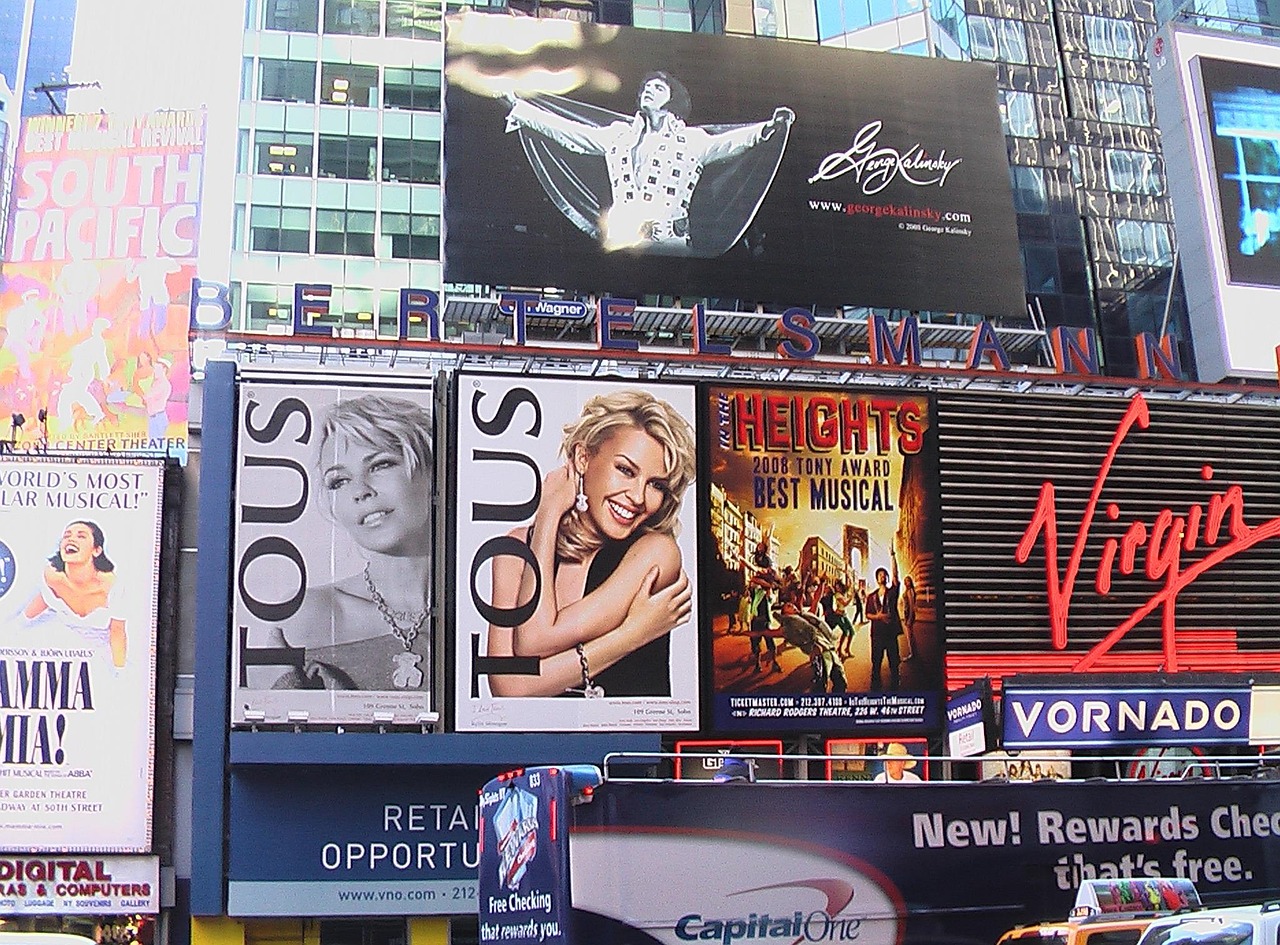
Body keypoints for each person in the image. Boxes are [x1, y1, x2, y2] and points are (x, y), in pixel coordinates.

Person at [486, 389, 696, 697]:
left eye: (656, 485)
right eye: (625, 470)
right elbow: (508, 687)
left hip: (629, 742)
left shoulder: (656, 553)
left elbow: (534, 639)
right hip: (534, 745)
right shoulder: (514, 550)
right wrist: (630, 635)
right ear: (583, 458)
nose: (638, 497)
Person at [501, 72, 794, 255]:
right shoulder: (617, 135)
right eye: (646, 87)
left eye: (658, 87)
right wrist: (519, 108)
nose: (649, 90)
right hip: (622, 242)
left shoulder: (693, 140)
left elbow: (732, 141)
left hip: (672, 244)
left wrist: (768, 127)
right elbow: (570, 131)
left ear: (672, 99)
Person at [267, 394, 434, 691]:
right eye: (339, 481)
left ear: (432, 473)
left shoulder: (488, 610)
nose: (360, 491)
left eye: (381, 465)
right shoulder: (305, 616)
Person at [24, 520, 127, 667]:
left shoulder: (112, 586)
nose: (71, 539)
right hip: (60, 652)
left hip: (101, 659)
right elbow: (44, 600)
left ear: (96, 550)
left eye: (81, 536)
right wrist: (16, 626)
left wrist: (119, 671)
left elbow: (117, 633)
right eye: (67, 536)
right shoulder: (51, 576)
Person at [865, 549, 902, 691]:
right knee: (876, 663)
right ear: (877, 578)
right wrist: (878, 617)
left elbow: (895, 576)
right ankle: (875, 688)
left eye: (885, 575)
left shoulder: (892, 592)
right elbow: (867, 614)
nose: (883, 576)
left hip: (890, 634)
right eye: (880, 575)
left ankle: (896, 686)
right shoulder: (871, 597)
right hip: (877, 635)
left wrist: (892, 557)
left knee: (894, 662)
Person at [900, 573, 918, 662]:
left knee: (909, 636)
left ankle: (912, 654)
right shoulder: (908, 590)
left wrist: (910, 618)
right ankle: (914, 653)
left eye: (908, 581)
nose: (906, 583)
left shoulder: (910, 591)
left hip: (909, 614)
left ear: (910, 582)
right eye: (905, 581)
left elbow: (911, 605)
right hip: (907, 614)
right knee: (910, 635)